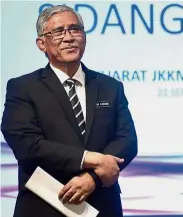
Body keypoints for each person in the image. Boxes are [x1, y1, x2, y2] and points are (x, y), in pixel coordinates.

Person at [1, 5, 137, 217]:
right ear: (41, 44)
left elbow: (127, 140)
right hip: (45, 204)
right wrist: (89, 158)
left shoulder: (110, 86)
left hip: (103, 204)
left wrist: (93, 178)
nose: (68, 37)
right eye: (58, 31)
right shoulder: (23, 87)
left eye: (75, 29)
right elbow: (27, 145)